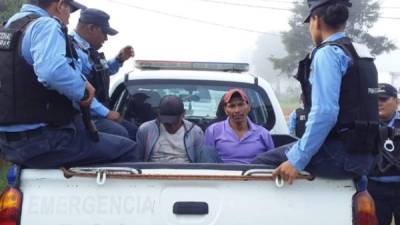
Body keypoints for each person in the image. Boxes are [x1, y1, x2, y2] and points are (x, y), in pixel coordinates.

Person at [252, 0, 379, 184]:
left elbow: (325, 113)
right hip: (366, 156)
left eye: (309, 23)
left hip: (339, 156)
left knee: (258, 164)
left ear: (316, 20)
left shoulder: (328, 53)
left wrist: (296, 161)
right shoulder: (360, 54)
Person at [0, 0, 136, 168]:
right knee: (128, 148)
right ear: (59, 5)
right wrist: (82, 89)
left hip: (9, 141)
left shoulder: (9, 28)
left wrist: (117, 61)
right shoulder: (46, 25)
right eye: (69, 12)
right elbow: (51, 71)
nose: (69, 20)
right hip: (44, 139)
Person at [71, 8, 137, 141]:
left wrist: (119, 60)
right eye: (104, 33)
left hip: (95, 114)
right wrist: (106, 113)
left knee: (135, 132)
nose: (106, 38)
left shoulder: (88, 50)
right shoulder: (72, 50)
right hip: (83, 117)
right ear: (91, 28)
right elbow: (77, 89)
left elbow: (101, 73)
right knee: (122, 134)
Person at [135, 95, 219, 163]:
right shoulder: (145, 130)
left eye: (174, 122)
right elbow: (138, 159)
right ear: (158, 114)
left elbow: (199, 161)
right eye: (166, 123)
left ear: (183, 115)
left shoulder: (195, 132)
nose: (171, 126)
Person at [204, 89, 275, 164]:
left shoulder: (263, 134)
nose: (237, 110)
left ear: (248, 107)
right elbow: (208, 162)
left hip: (253, 174)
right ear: (225, 110)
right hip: (223, 175)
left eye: (241, 104)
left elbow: (271, 162)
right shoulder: (213, 131)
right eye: (232, 106)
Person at [368, 83, 400, 225]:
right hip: (374, 189)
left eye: (384, 99)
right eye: (375, 99)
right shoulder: (365, 124)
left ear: (397, 101)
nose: (379, 103)